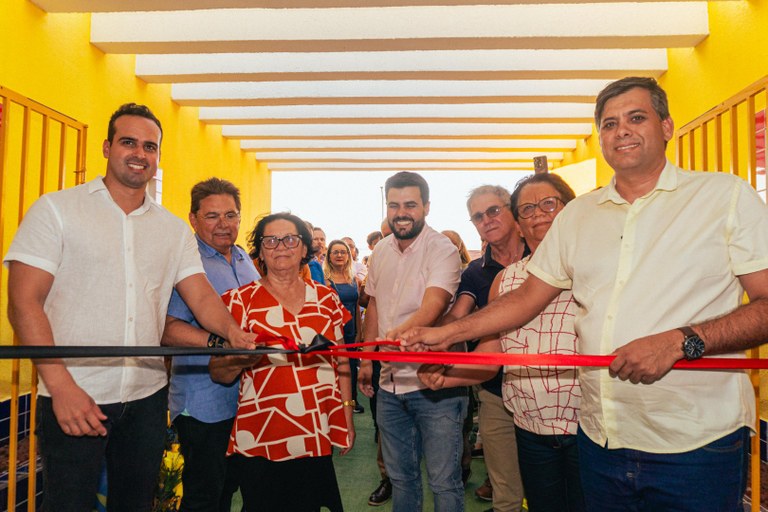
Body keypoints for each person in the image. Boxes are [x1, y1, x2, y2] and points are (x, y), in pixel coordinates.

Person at [402, 77, 768, 512]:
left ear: (667, 126)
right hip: (601, 438)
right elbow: (525, 298)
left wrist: (680, 341)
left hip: (694, 441)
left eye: (636, 118)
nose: (622, 131)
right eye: (609, 124)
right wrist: (447, 334)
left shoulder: (723, 198)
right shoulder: (579, 216)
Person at [4, 103, 256, 512]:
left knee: (135, 504)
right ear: (106, 147)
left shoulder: (172, 229)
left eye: (150, 146)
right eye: (129, 142)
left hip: (146, 397)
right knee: (68, 506)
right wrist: (61, 386)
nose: (140, 153)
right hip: (74, 392)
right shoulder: (56, 210)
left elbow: (202, 296)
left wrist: (232, 332)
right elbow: (23, 302)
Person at [420, 174, 584, 512]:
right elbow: (491, 354)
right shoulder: (503, 279)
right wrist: (447, 374)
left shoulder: (597, 268)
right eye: (528, 208)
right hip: (529, 424)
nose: (538, 214)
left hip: (589, 426)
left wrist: (442, 336)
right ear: (520, 222)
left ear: (572, 210)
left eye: (549, 204)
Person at [209, 212, 355, 512]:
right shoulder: (237, 301)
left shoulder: (327, 299)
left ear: (304, 248)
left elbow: (341, 363)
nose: (281, 247)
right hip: (262, 430)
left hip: (315, 426)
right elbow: (219, 372)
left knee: (309, 505)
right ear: (260, 251)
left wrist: (347, 415)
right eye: (270, 240)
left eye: (290, 239)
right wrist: (239, 358)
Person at [358, 171, 463, 512]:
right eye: (394, 205)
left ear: (426, 207)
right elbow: (374, 305)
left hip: (437, 386)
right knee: (402, 478)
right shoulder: (381, 252)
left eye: (410, 205)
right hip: (389, 385)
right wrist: (366, 359)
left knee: (444, 482)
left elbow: (433, 306)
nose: (401, 212)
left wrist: (398, 336)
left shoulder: (442, 249)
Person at [162, 177, 261, 512]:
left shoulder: (244, 259)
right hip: (202, 404)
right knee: (203, 496)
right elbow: (167, 329)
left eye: (231, 215)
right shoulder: (185, 262)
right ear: (192, 218)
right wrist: (223, 341)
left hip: (244, 400)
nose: (224, 225)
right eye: (212, 216)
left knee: (229, 489)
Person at [440, 185, 528, 512]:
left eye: (493, 210)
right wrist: (426, 340)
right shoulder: (475, 272)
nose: (486, 220)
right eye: (478, 216)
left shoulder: (549, 257)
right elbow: (456, 318)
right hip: (494, 390)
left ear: (512, 210)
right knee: (504, 490)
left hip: (553, 392)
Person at [325, 239, 365, 414]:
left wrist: (359, 332)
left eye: (343, 252)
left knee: (351, 366)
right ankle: (334, 402)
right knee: (334, 367)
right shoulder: (325, 280)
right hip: (333, 332)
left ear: (349, 256)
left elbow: (356, 307)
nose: (340, 255)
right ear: (329, 256)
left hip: (351, 331)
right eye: (336, 252)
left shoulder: (354, 279)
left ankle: (352, 400)